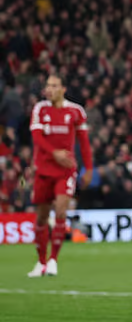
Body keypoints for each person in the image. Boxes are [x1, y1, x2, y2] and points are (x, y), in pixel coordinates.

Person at [28, 74, 92, 277]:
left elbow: (84, 142)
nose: (50, 89)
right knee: (42, 217)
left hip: (66, 170)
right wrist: (54, 153)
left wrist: (89, 168)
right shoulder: (40, 109)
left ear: (63, 89)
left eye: (54, 85)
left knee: (61, 211)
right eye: (48, 85)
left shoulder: (76, 111)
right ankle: (40, 262)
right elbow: (36, 137)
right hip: (44, 170)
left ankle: (54, 260)